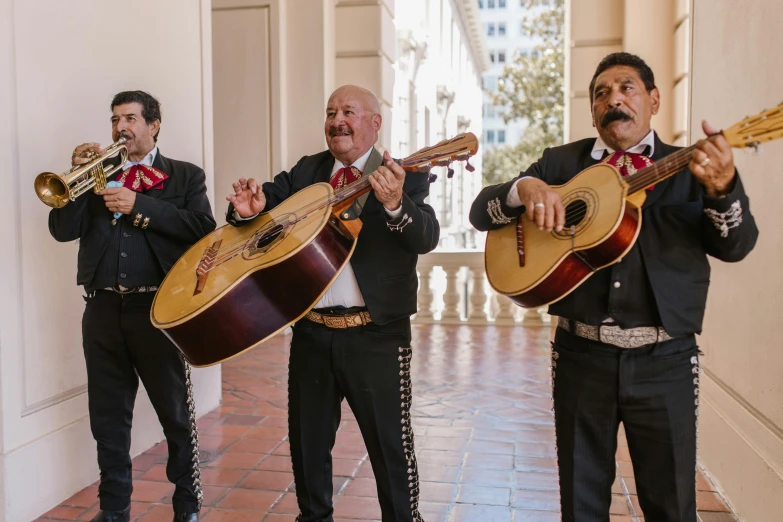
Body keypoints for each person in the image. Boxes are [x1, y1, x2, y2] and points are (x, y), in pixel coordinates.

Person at [469, 52, 758, 521]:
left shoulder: (693, 167)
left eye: (627, 88)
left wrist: (723, 189)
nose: (614, 100)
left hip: (666, 359)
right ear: (593, 110)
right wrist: (524, 188)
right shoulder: (562, 163)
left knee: (672, 504)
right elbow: (482, 211)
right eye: (601, 93)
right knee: (581, 504)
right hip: (581, 356)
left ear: (654, 100)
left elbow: (736, 245)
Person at [226, 84, 438, 522]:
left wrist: (396, 204)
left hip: (376, 335)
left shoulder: (404, 175)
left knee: (390, 447)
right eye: (330, 112)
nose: (337, 119)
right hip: (311, 333)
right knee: (307, 445)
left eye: (349, 111)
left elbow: (426, 236)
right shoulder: (307, 171)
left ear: (375, 124)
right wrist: (249, 210)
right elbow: (261, 205)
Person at [48, 90, 216, 522]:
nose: (120, 127)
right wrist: (75, 176)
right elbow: (61, 230)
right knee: (108, 418)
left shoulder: (184, 176)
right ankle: (114, 508)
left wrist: (141, 206)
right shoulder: (97, 175)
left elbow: (202, 229)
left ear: (153, 125)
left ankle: (187, 506)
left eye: (130, 119)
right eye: (115, 120)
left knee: (176, 416)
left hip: (157, 313)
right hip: (101, 312)